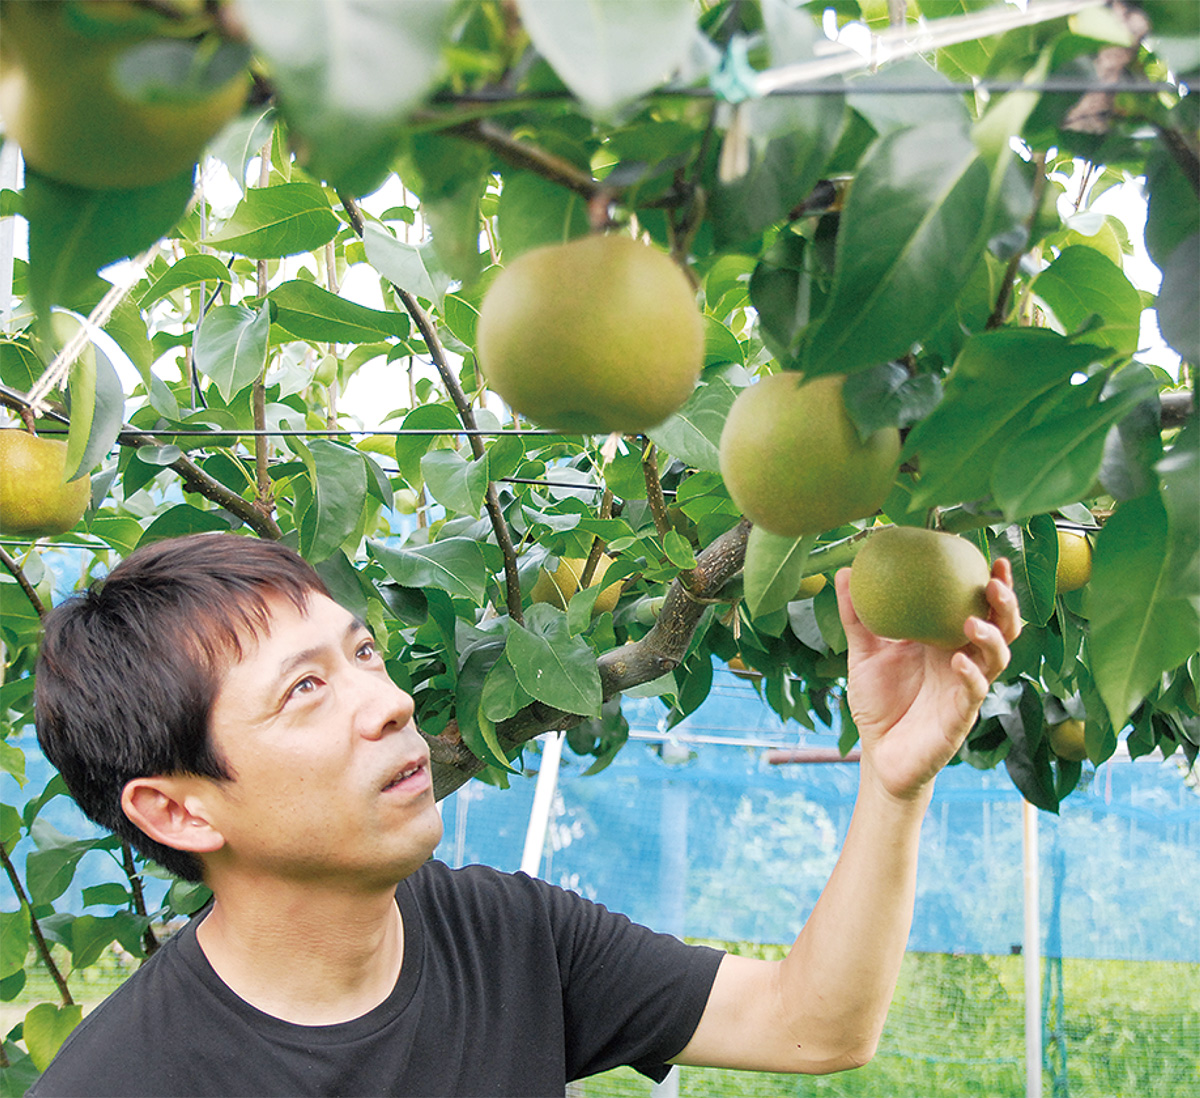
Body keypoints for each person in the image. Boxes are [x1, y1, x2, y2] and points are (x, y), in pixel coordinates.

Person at [29, 531, 1020, 1097]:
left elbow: (815, 1027)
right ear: (178, 810)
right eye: (303, 690)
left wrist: (895, 783)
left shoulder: (508, 937)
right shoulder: (123, 1084)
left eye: (365, 654)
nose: (391, 702)